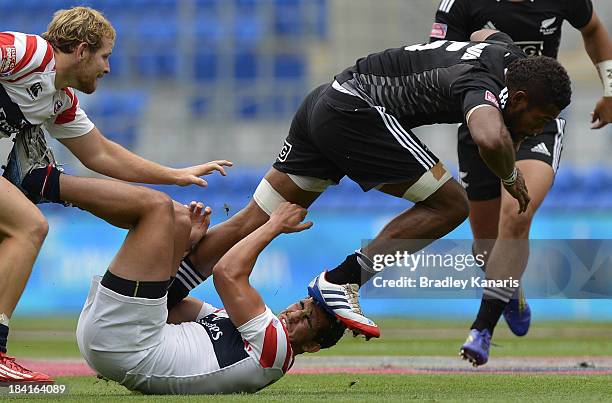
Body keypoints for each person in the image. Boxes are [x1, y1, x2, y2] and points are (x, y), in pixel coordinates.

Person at [163, 29, 572, 341]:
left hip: (325, 102)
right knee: (451, 205)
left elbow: (485, 34)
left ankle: (158, 297)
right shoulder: (480, 87)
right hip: (357, 112)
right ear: (516, 98)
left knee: (253, 219)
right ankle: (344, 279)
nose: (539, 128)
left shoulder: (507, 55)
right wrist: (510, 175)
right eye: (540, 118)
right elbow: (489, 138)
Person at [0, 6, 230, 383]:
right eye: (105, 55)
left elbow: (101, 154)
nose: (107, 67)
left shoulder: (59, 100)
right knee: (29, 227)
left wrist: (175, 174)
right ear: (81, 50)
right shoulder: (27, 54)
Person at [430, 0, 612, 366]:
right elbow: (439, 55)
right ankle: (511, 289)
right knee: (485, 250)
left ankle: (481, 330)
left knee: (516, 214)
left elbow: (592, 28)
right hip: (483, 120)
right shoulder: (460, 4)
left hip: (538, 118)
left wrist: (610, 88)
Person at [74, 178, 346, 395]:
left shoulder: (276, 350)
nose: (295, 314)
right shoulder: (245, 331)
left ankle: (49, 183)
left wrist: (274, 226)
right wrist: (183, 246)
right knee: (179, 222)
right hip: (114, 346)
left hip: (121, 344)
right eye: (301, 305)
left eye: (307, 320)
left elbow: (226, 273)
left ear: (311, 347)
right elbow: (169, 306)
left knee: (156, 208)